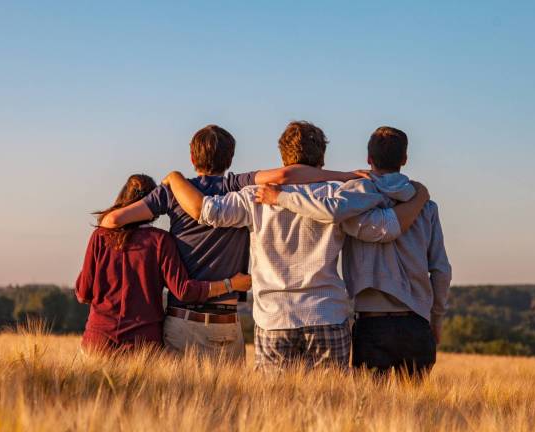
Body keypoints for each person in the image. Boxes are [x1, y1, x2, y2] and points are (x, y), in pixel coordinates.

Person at [163, 121, 430, 371]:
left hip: (274, 318)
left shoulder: (254, 196)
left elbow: (207, 211)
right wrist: (419, 198)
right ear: (322, 158)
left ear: (283, 157)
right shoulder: (339, 195)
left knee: (275, 409)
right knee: (331, 408)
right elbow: (383, 229)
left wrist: (175, 178)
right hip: (327, 314)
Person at [99, 124, 369, 361]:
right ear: (230, 158)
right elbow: (286, 176)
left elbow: (112, 222)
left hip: (184, 319)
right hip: (231, 321)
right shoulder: (238, 185)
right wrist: (345, 176)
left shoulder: (173, 192)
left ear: (192, 157)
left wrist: (159, 231)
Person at [256, 126, 451, 377]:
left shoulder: (351, 199)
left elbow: (329, 211)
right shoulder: (426, 206)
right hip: (416, 322)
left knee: (368, 410)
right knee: (415, 412)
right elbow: (441, 270)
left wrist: (281, 197)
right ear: (404, 159)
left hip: (371, 323)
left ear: (369, 159)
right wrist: (436, 319)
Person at [75, 174, 252, 355]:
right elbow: (183, 290)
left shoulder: (100, 236)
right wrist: (230, 284)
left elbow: (83, 293)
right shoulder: (160, 240)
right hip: (143, 344)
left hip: (97, 341)